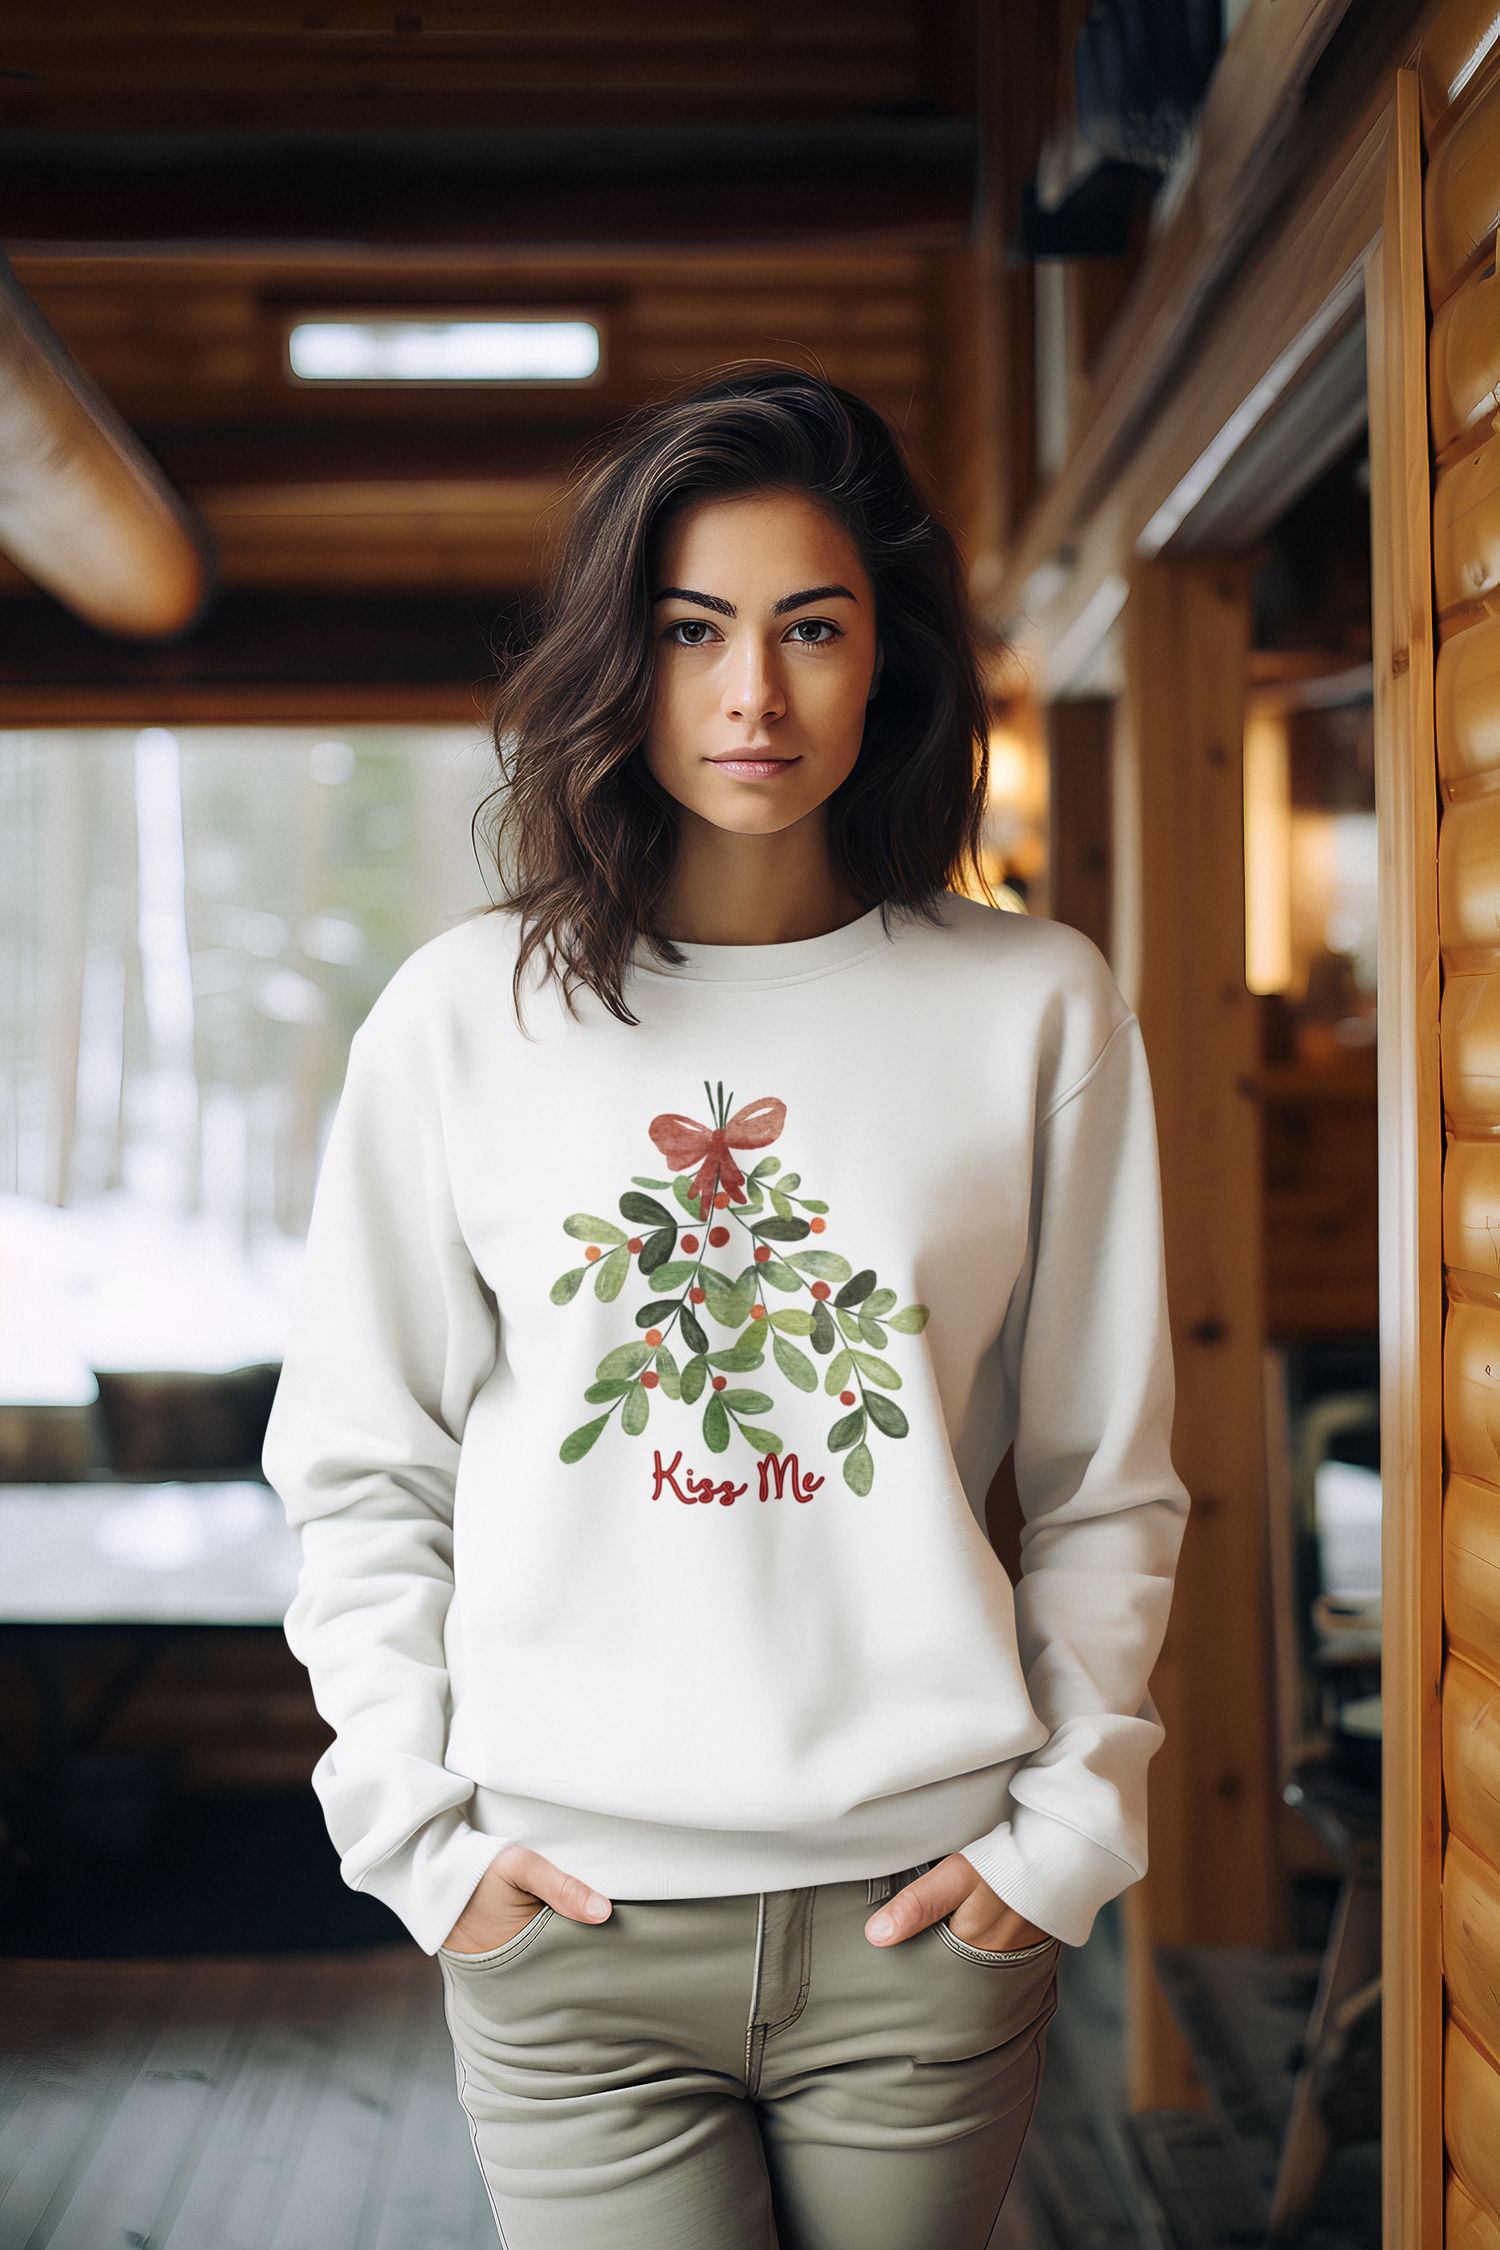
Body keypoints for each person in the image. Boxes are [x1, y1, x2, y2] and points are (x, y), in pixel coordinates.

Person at [263, 366, 1188, 2250]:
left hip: (925, 1918)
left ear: (890, 661)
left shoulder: (1037, 1006)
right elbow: (365, 1472)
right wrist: (426, 1849)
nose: (752, 694)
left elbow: (1109, 1476)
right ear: (624, 658)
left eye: (811, 629)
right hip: (566, 1932)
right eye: (692, 632)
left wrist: (1065, 1840)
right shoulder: (466, 1017)